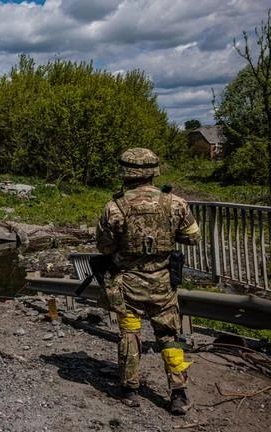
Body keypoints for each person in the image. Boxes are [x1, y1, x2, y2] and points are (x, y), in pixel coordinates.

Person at [95, 147, 200, 415]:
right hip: (163, 283)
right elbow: (193, 237)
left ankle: (129, 390)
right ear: (154, 171)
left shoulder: (114, 207)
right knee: (168, 336)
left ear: (125, 172)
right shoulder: (175, 203)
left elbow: (104, 247)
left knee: (130, 332)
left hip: (128, 283)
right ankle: (178, 394)